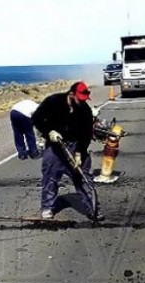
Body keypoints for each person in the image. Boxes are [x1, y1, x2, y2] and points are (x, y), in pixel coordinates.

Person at [31, 81, 101, 220]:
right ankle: (47, 207)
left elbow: (86, 133)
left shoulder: (84, 109)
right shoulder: (53, 101)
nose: (81, 102)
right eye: (79, 98)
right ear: (71, 94)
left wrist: (80, 153)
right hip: (55, 147)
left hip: (75, 144)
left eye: (84, 100)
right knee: (50, 178)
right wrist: (48, 132)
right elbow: (36, 118)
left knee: (83, 177)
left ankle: (92, 209)